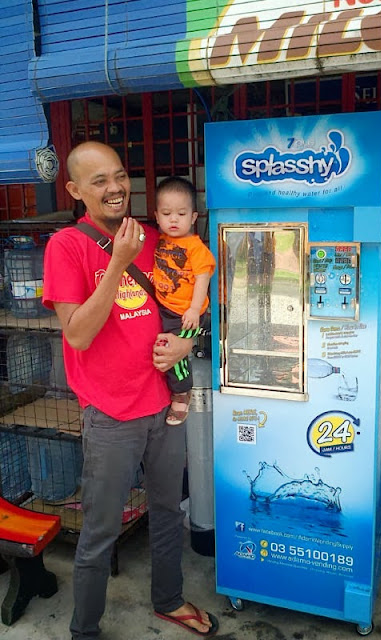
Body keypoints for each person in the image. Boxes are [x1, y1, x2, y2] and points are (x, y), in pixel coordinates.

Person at [42, 141, 218, 639]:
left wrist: (188, 345)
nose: (115, 187)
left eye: (119, 175)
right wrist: (118, 261)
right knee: (100, 532)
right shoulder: (67, 247)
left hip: (165, 406)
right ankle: (85, 631)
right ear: (75, 190)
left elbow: (184, 303)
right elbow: (76, 333)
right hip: (111, 415)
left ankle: (168, 599)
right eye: (99, 181)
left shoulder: (152, 235)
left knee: (167, 512)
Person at [153, 177, 216, 426]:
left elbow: (203, 278)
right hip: (165, 307)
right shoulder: (160, 242)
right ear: (157, 216)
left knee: (174, 351)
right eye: (167, 213)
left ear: (193, 217)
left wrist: (193, 309)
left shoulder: (195, 247)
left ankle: (182, 392)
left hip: (185, 313)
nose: (174, 219)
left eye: (181, 213)